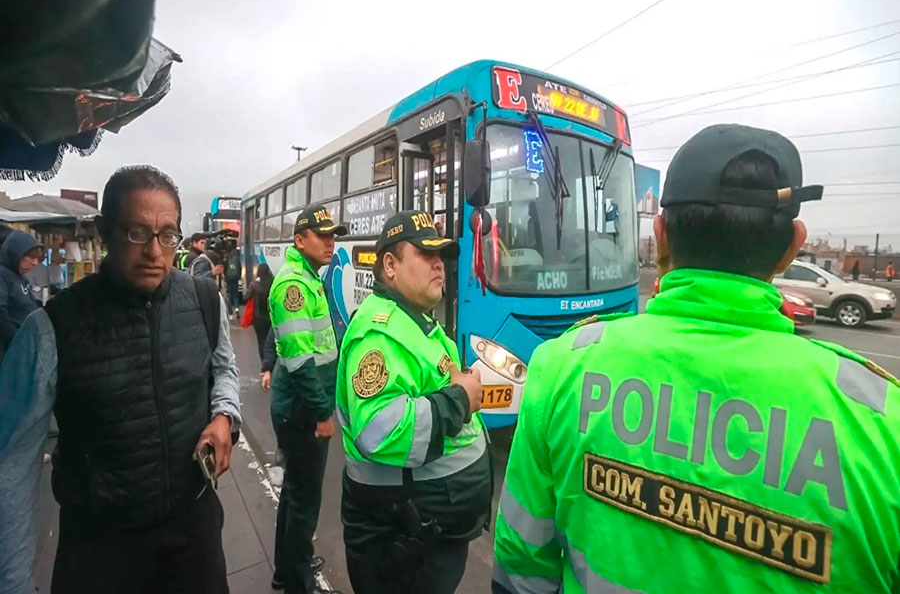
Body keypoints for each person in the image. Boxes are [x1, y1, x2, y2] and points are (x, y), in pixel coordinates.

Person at [492, 124, 900, 593]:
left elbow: (521, 566)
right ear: (792, 247)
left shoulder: (561, 367)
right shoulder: (882, 424)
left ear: (661, 236)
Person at [0, 165, 242, 594]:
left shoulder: (205, 300)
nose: (154, 251)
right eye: (137, 233)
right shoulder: (52, 328)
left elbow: (224, 367)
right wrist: (14, 580)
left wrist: (224, 415)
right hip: (100, 549)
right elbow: (14, 464)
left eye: (167, 235)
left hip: (194, 534)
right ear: (105, 232)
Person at [337, 210, 492, 594]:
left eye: (441, 255)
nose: (439, 264)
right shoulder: (379, 336)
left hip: (425, 536)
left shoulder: (417, 322)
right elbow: (379, 432)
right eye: (425, 254)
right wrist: (460, 398)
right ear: (390, 265)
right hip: (401, 545)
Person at [268, 204, 345, 594]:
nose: (331, 242)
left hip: (300, 408)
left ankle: (286, 569)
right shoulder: (293, 286)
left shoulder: (309, 277)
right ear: (300, 240)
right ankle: (299, 582)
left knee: (295, 494)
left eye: (333, 235)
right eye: (323, 235)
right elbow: (300, 363)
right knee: (305, 502)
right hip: (301, 411)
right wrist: (322, 413)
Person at [0, 231, 43, 363]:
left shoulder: (20, 277)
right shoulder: (2, 275)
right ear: (16, 254)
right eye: (30, 257)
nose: (35, 263)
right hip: (10, 351)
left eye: (37, 258)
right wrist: (17, 340)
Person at [244, 262, 274, 365]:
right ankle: (272, 364)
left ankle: (264, 365)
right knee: (272, 342)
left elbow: (245, 298)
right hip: (271, 317)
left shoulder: (255, 285)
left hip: (258, 318)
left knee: (261, 342)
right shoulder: (273, 283)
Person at [224, 250, 242, 320]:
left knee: (229, 295)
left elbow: (225, 269)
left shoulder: (227, 259)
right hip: (235, 278)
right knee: (235, 295)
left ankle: (230, 314)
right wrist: (239, 277)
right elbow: (240, 269)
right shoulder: (237, 259)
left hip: (228, 278)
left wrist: (225, 278)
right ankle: (236, 308)